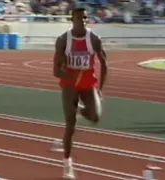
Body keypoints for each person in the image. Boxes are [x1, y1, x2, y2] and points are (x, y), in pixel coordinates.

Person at [53, 6, 108, 179]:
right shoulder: (63, 40)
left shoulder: (94, 39)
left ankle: (79, 110)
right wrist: (69, 74)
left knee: (95, 116)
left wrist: (100, 90)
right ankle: (67, 163)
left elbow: (105, 65)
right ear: (72, 20)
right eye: (79, 18)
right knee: (70, 125)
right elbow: (55, 71)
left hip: (88, 84)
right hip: (70, 84)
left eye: (85, 18)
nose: (82, 21)